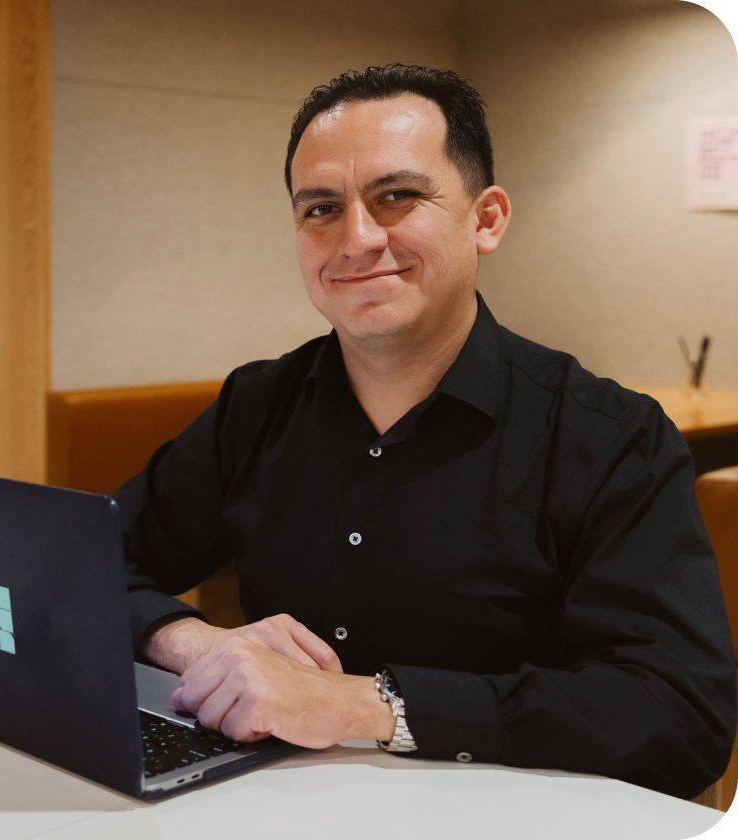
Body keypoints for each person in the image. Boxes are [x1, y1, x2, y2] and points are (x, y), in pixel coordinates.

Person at [116, 65, 735, 799]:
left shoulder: (609, 437)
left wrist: (368, 706)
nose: (355, 239)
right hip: (278, 806)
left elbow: (678, 715)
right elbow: (83, 562)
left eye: (397, 197)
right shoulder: (259, 405)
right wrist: (193, 641)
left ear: (487, 219)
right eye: (320, 208)